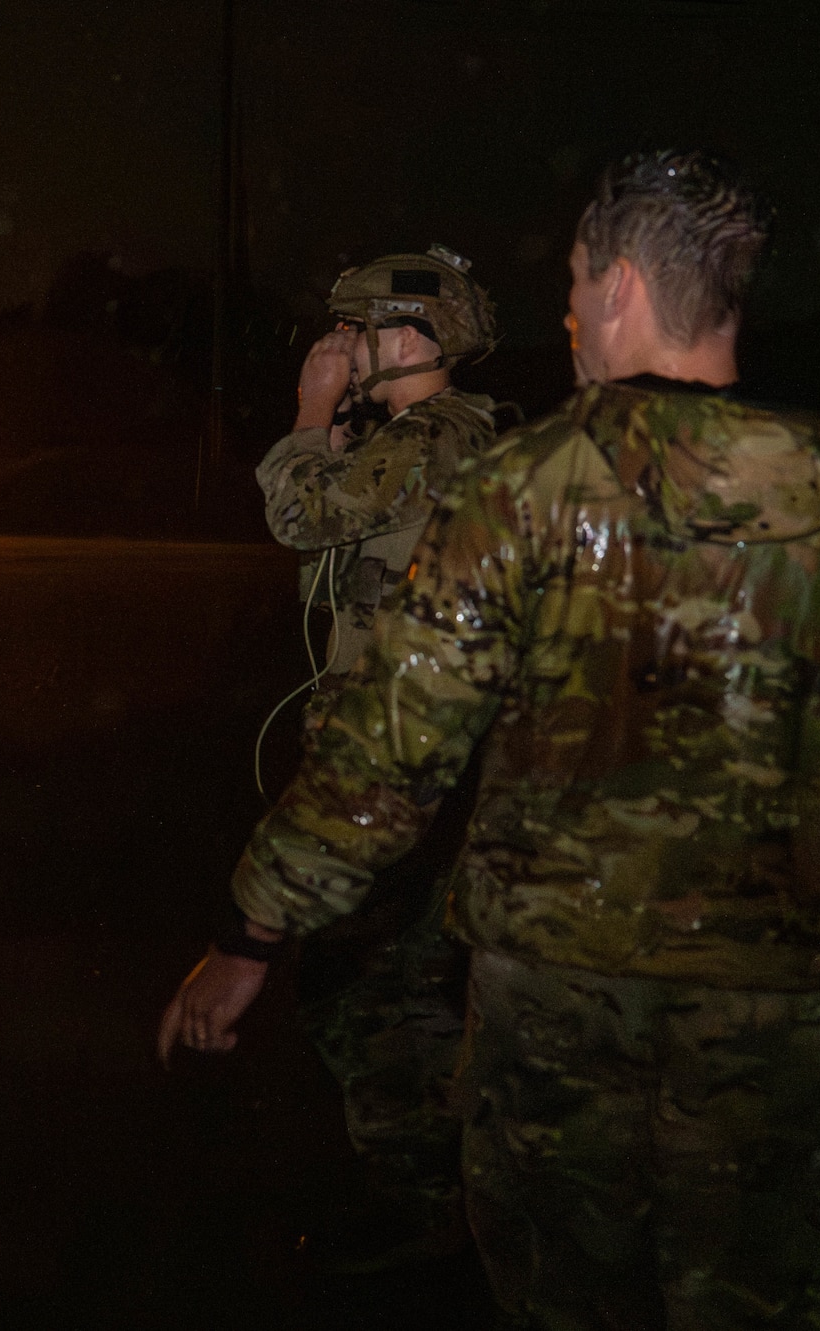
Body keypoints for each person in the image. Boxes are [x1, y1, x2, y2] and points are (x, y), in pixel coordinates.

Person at [159, 149, 820, 1329]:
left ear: (623, 286)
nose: (569, 311)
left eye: (579, 283)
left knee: (568, 1285)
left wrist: (251, 931)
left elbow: (390, 755)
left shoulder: (521, 492)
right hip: (763, 1002)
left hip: (551, 1011)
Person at [251, 246, 501, 1268]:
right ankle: (439, 1192)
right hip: (413, 747)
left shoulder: (439, 440)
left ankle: (419, 1204)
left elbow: (296, 515)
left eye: (355, 330)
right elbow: (331, 553)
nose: (337, 347)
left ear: (408, 336)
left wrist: (311, 414)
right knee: (404, 977)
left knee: (361, 983)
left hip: (407, 757)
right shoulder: (423, 440)